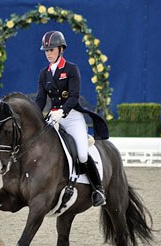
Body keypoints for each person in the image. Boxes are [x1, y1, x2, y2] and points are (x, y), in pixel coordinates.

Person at [35, 30, 109, 207]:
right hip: (53, 117)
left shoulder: (71, 69)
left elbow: (74, 96)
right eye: (46, 51)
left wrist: (63, 111)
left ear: (61, 49)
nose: (48, 54)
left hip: (72, 117)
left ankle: (98, 189)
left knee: (82, 154)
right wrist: (36, 115)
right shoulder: (43, 74)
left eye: (51, 50)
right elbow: (40, 99)